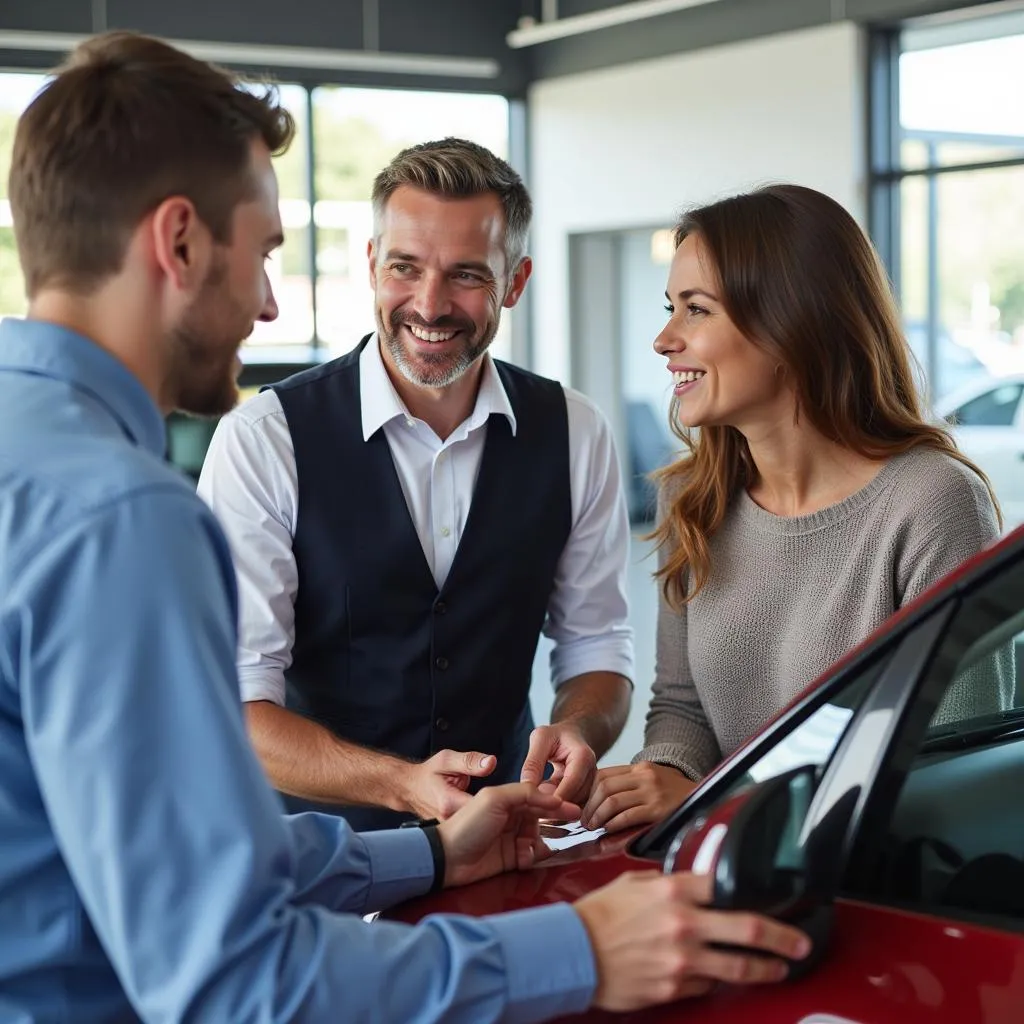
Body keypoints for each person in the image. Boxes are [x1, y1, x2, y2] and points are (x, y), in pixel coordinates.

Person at [0, 32, 814, 1022]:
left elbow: (143, 836)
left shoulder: (35, 461)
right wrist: (578, 951)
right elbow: (230, 976)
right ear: (177, 243)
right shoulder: (125, 511)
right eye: (262, 251)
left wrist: (430, 853)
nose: (266, 302)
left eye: (465, 274)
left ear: (509, 282)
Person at [197, 137, 633, 829]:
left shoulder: (576, 431)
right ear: (372, 266)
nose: (429, 305)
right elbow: (240, 703)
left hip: (505, 845)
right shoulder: (265, 439)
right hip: (314, 862)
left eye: (466, 275)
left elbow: (596, 644)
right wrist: (405, 786)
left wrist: (579, 731)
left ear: (515, 282)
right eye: (405, 267)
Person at [581, 184, 1007, 834]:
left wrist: (720, 805)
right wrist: (667, 773)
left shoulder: (930, 501)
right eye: (672, 308)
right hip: (729, 869)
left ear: (790, 321)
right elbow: (683, 709)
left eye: (695, 310)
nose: (664, 339)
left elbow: (944, 766)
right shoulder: (693, 499)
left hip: (867, 881)